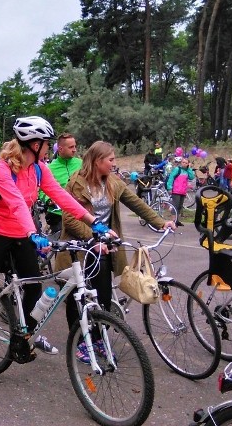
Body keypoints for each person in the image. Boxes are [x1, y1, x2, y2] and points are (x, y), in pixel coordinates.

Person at [0, 116, 99, 387]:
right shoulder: (1, 169)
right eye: (46, 144)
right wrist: (33, 233)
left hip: (21, 233)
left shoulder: (40, 169)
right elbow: (16, 203)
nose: (49, 149)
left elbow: (61, 196)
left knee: (33, 288)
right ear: (33, 144)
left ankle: (26, 333)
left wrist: (92, 221)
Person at [57, 141, 176, 364]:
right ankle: (80, 341)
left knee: (102, 296)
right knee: (78, 298)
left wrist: (160, 223)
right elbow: (70, 218)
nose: (114, 163)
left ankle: (98, 336)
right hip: (80, 248)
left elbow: (136, 203)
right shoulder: (77, 182)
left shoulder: (112, 182)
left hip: (103, 248)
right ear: (97, 161)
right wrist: (92, 238)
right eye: (110, 160)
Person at [43, 133, 83, 233]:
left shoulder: (81, 164)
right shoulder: (49, 168)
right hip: (58, 216)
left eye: (75, 146)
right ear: (60, 149)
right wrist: (48, 200)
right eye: (71, 147)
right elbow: (41, 191)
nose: (74, 149)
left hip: (80, 213)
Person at [166, 156, 195, 225]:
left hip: (183, 191)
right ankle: (173, 220)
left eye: (186, 163)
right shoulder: (177, 169)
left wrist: (189, 169)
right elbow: (171, 178)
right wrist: (169, 187)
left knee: (180, 206)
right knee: (175, 205)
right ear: (181, 163)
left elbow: (192, 177)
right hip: (176, 191)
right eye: (183, 162)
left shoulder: (187, 171)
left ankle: (177, 220)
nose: (184, 164)